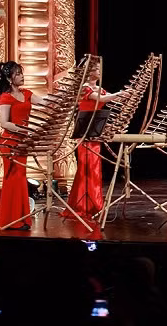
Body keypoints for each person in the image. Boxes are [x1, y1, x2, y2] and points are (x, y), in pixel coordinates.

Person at [62, 63, 127, 221]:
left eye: (99, 68)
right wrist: (119, 93)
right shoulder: (85, 88)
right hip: (84, 134)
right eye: (96, 69)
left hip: (95, 134)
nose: (99, 71)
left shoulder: (99, 88)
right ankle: (83, 205)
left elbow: (109, 97)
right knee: (87, 169)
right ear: (88, 71)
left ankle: (94, 204)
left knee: (94, 169)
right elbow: (103, 99)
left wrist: (125, 95)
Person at [0, 61, 48, 230]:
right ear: (10, 79)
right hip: (10, 142)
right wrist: (23, 129)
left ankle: (22, 219)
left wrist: (64, 99)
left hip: (23, 141)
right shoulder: (6, 96)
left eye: (21, 73)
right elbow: (4, 123)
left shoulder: (27, 93)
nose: (21, 76)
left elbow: (45, 102)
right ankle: (11, 220)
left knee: (21, 178)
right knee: (14, 179)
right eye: (17, 74)